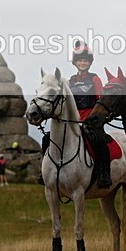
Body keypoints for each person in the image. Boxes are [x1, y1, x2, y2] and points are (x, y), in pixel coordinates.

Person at [38, 40, 110, 188]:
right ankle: (44, 172)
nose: (83, 63)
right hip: (73, 122)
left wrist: (95, 119)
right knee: (46, 139)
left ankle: (104, 174)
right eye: (80, 60)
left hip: (91, 121)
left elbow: (100, 101)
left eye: (85, 60)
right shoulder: (70, 81)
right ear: (75, 62)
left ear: (90, 63)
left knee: (100, 141)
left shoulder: (95, 79)